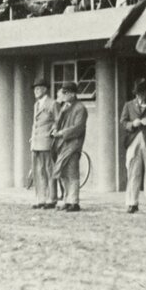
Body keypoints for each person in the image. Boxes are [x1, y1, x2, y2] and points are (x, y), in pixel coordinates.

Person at [119, 77, 146, 214]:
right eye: (138, 93)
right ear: (135, 93)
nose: (141, 96)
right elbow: (123, 122)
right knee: (133, 172)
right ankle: (132, 202)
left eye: (143, 93)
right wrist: (132, 124)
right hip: (133, 141)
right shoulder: (128, 105)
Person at [51, 81, 87, 212]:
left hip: (73, 144)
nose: (63, 95)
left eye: (66, 92)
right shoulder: (64, 107)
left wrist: (61, 133)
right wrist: (54, 129)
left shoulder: (80, 108)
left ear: (73, 94)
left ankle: (74, 201)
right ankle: (67, 200)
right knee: (64, 173)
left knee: (72, 173)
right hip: (61, 144)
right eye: (63, 92)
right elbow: (57, 122)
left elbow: (78, 128)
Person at [29, 78, 56, 209]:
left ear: (45, 89)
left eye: (38, 88)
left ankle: (52, 199)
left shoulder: (52, 103)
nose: (36, 91)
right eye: (35, 89)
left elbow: (58, 121)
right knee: (38, 171)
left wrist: (51, 133)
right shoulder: (36, 105)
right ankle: (41, 199)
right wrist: (32, 138)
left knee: (49, 170)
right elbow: (35, 124)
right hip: (36, 142)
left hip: (46, 141)